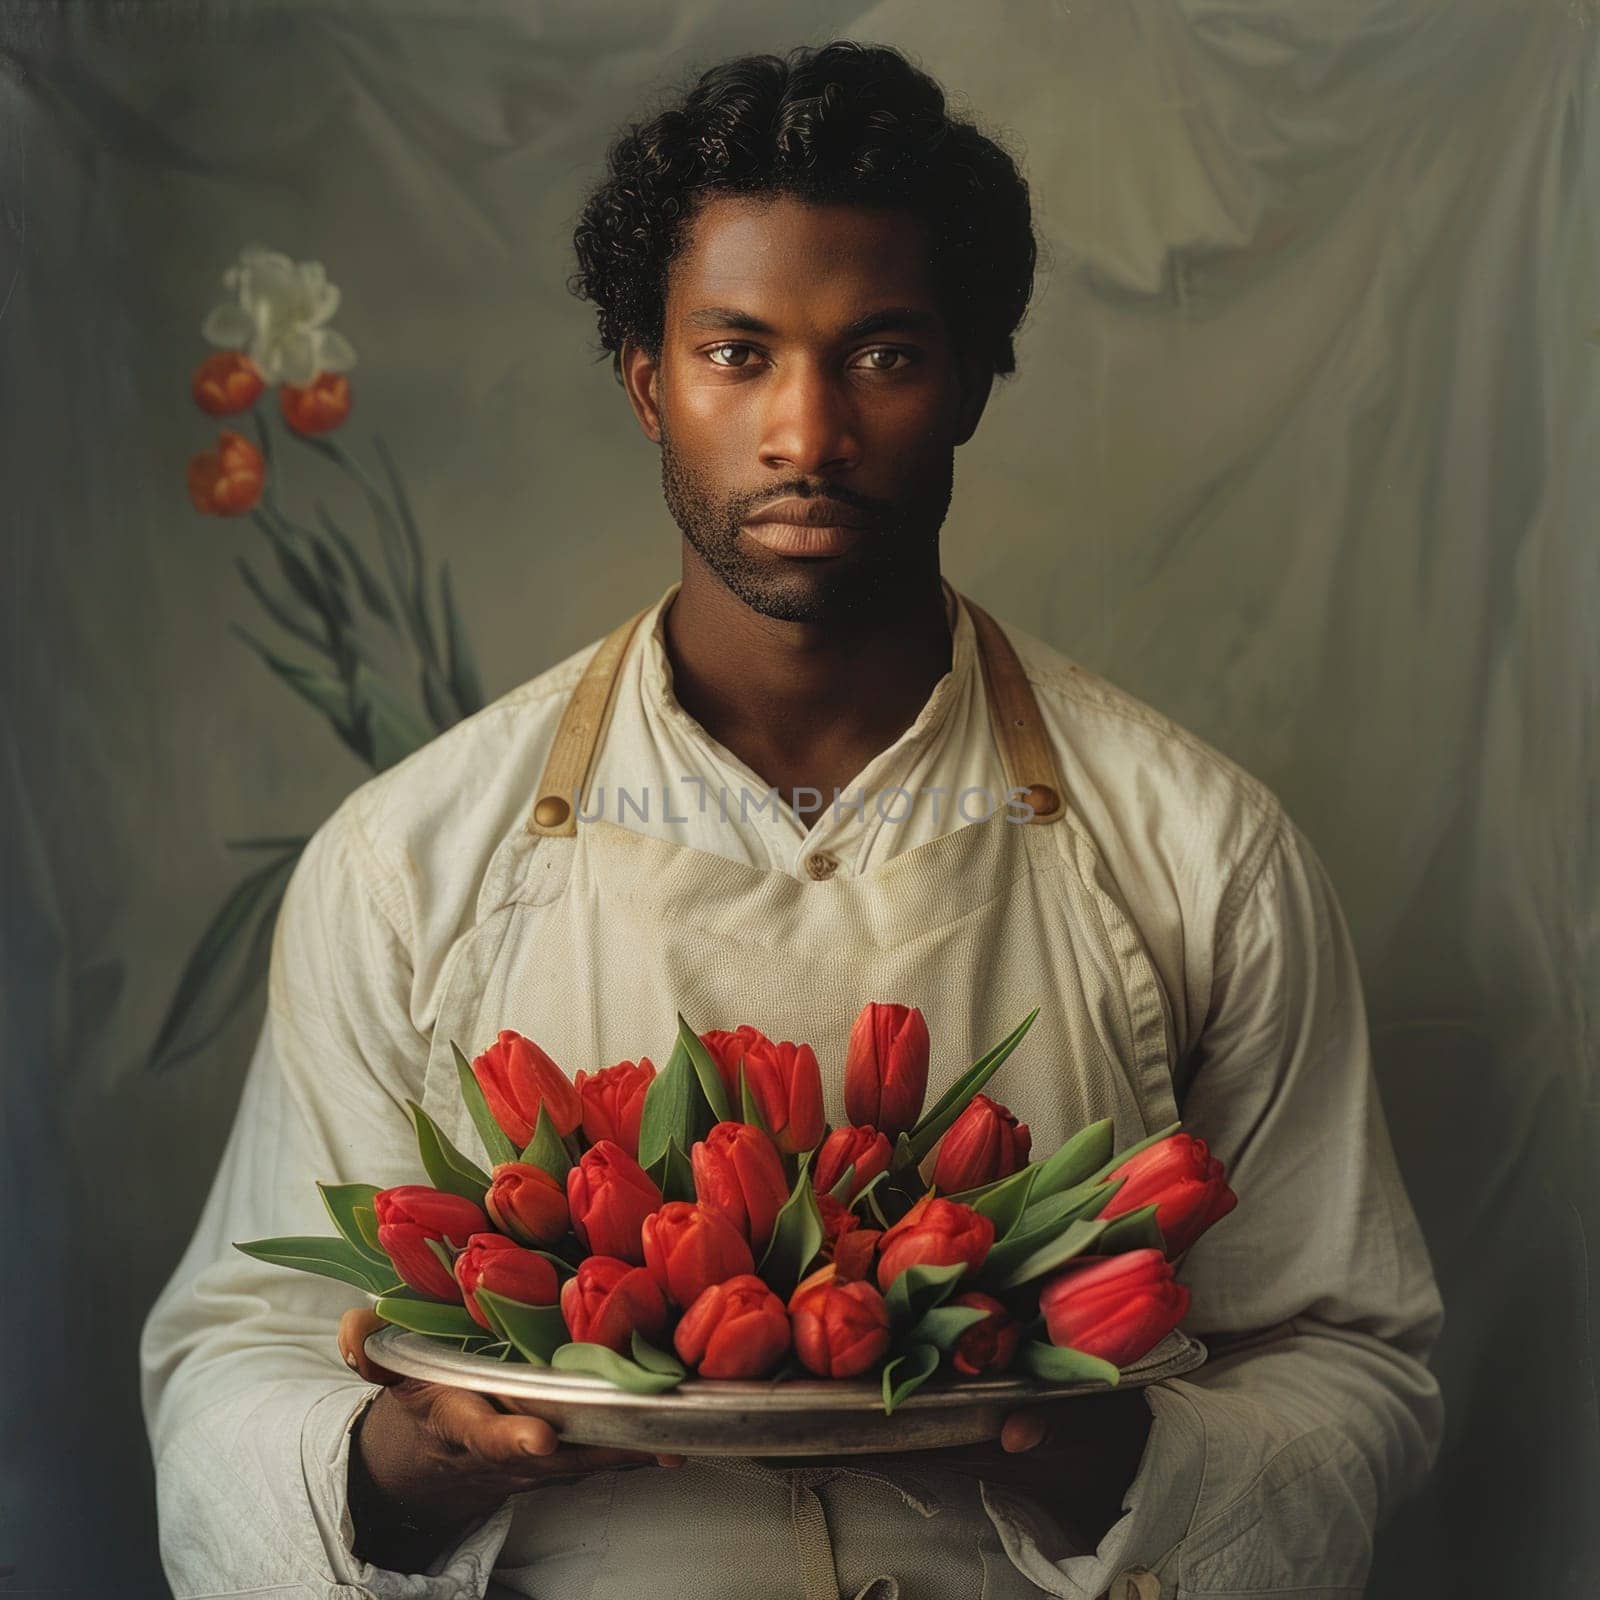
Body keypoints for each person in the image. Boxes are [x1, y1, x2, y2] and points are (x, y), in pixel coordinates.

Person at [140, 40, 1444, 1600]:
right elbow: (240, 1351)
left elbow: (1348, 1351)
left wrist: (1124, 1467)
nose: (807, 434)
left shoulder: (1200, 852)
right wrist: (397, 1472)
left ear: (967, 377)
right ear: (648, 381)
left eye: (882, 354)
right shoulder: (410, 857)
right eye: (738, 353)